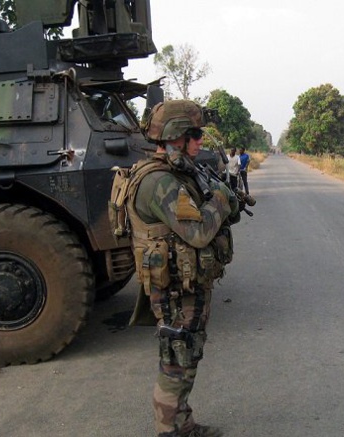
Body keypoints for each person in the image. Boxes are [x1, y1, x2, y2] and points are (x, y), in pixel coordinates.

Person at [124, 99, 239, 437]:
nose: (201, 140)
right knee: (177, 360)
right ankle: (170, 431)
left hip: (183, 283)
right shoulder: (159, 181)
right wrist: (220, 198)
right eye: (196, 134)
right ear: (177, 136)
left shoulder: (176, 171)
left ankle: (181, 423)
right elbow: (200, 232)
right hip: (176, 289)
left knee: (186, 357)